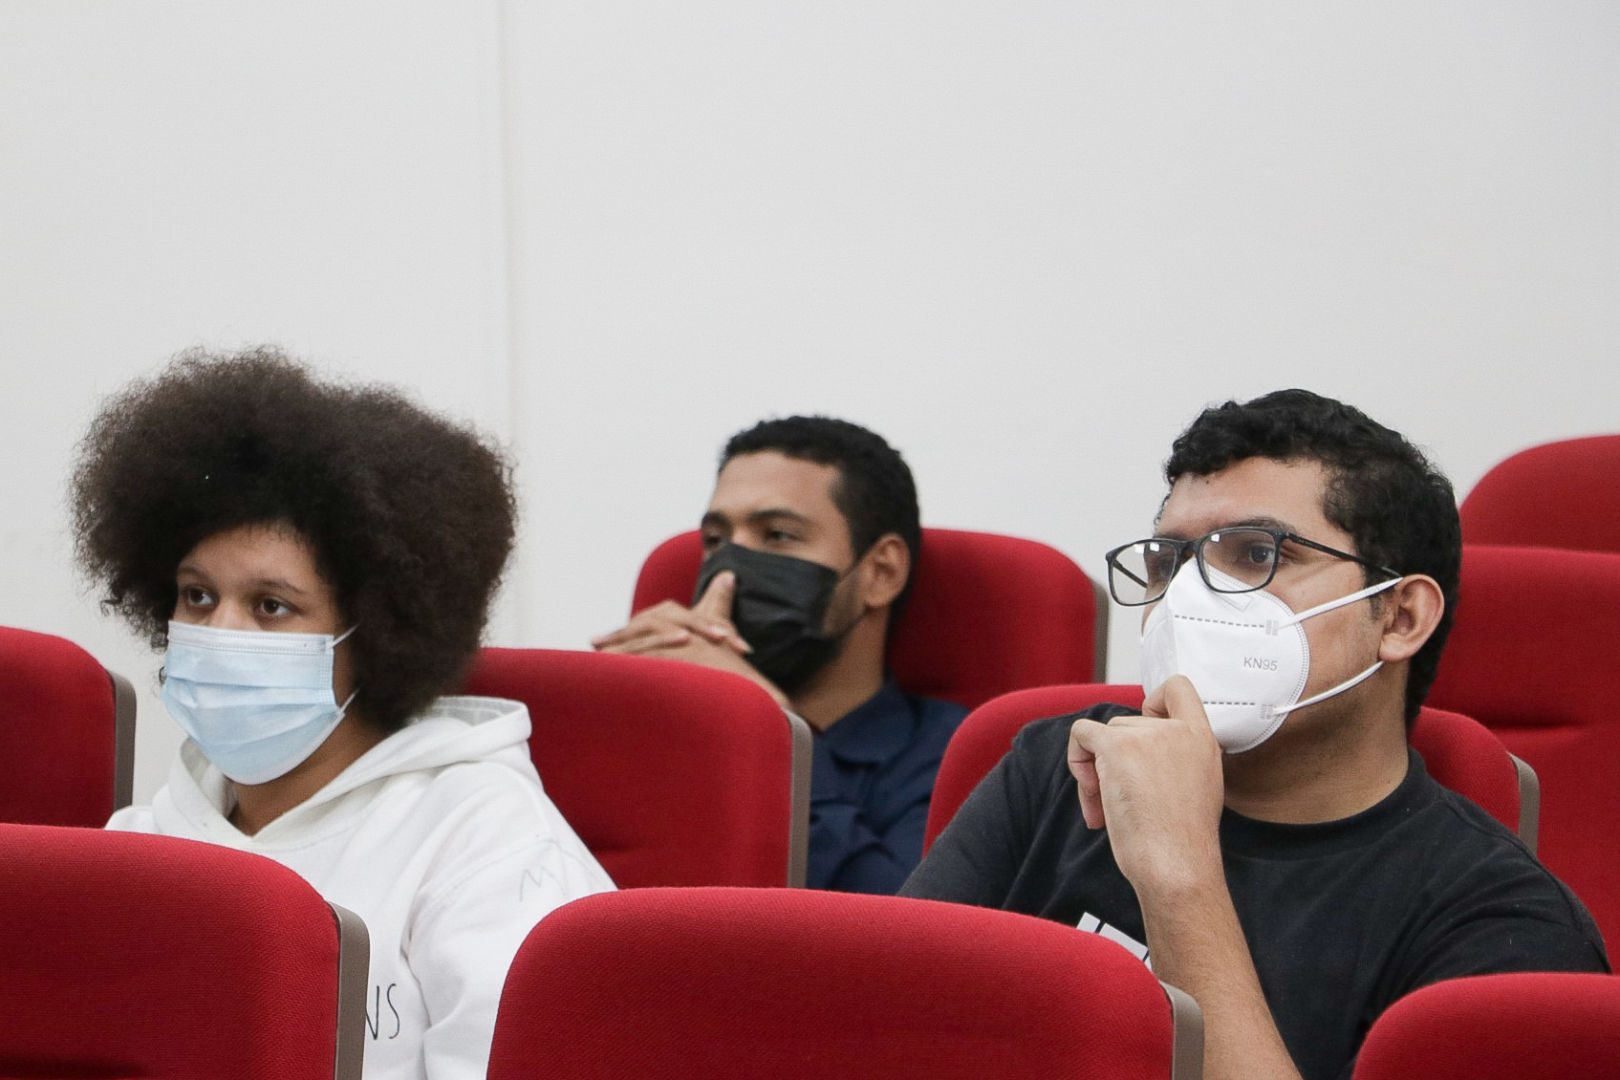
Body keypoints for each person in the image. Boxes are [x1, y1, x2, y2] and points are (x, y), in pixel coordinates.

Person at [902, 390, 1607, 1080]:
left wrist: (1180, 877)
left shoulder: (1505, 924)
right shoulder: (1063, 768)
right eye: (1168, 561)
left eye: (1255, 554)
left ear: (1399, 618)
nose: (1186, 598)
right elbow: (882, 1030)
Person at [72, 348, 614, 1080]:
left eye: (271, 606)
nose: (220, 632)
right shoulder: (141, 841)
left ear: (378, 633)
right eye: (198, 596)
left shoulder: (486, 840)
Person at [592, 416, 966, 893]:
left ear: (881, 573)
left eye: (778, 535)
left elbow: (903, 921)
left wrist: (770, 730)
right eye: (716, 541)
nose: (729, 568)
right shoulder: (652, 733)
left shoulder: (957, 754)